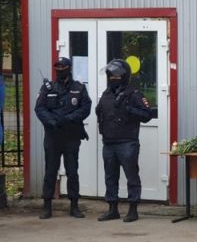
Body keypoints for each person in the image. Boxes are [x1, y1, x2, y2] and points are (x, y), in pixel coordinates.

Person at [95, 59, 152, 223]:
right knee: (110, 177)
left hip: (127, 142)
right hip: (109, 142)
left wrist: (128, 109)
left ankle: (133, 210)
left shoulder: (133, 94)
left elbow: (147, 115)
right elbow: (99, 112)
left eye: (116, 75)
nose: (113, 78)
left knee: (131, 177)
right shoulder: (106, 94)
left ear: (124, 76)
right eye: (110, 75)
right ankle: (112, 209)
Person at [34, 57, 91, 219]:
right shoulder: (48, 88)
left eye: (63, 68)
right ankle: (47, 206)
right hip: (53, 136)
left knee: (72, 171)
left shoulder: (79, 88)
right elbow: (39, 108)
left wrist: (69, 119)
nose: (60, 71)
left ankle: (74, 206)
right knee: (50, 171)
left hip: (71, 135)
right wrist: (51, 121)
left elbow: (85, 107)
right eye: (57, 68)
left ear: (68, 69)